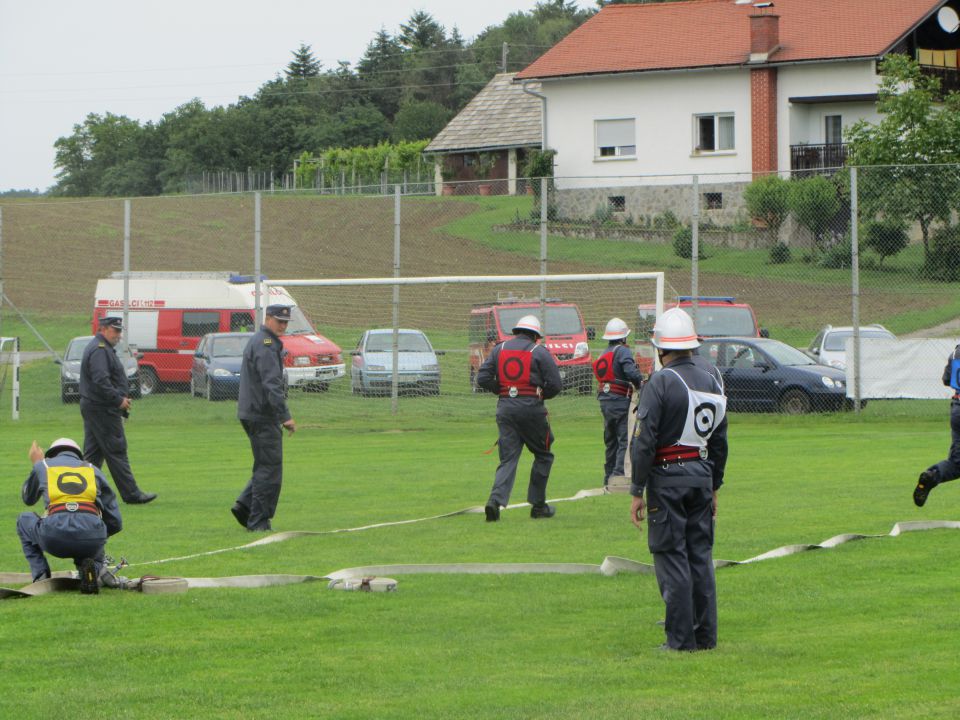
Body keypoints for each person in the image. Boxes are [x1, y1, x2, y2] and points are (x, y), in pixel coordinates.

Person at [629, 308, 728, 651]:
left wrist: (636, 489)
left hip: (667, 481)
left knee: (672, 558)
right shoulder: (714, 377)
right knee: (700, 557)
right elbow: (719, 439)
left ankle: (680, 640)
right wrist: (714, 484)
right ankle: (705, 636)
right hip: (701, 476)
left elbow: (645, 440)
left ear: (660, 348)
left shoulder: (661, 381)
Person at [478, 314, 562, 521]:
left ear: (516, 332)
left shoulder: (499, 349)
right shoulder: (539, 352)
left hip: (506, 409)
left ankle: (494, 501)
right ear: (535, 335)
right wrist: (542, 394)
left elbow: (482, 378)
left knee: (508, 459)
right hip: (532, 410)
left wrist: (502, 390)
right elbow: (555, 385)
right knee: (543, 455)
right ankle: (538, 506)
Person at [16, 438, 123, 594]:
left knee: (24, 519)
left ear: (51, 455)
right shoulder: (94, 470)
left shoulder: (43, 465)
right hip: (91, 537)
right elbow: (116, 522)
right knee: (93, 539)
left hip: (54, 536)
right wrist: (94, 538)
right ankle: (92, 568)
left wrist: (36, 465)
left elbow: (28, 499)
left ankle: (41, 576)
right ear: (78, 456)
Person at [232, 304, 296, 532]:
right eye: (279, 321)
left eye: (286, 322)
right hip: (261, 414)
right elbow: (272, 384)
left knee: (264, 465)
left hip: (252, 412)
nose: (283, 326)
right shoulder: (266, 344)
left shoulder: (261, 340)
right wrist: (285, 416)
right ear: (267, 318)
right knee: (269, 468)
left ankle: (244, 507)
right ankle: (258, 521)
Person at [80, 315, 157, 504]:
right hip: (103, 409)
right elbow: (101, 381)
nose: (118, 335)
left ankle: (80, 492)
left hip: (96, 408)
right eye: (115, 331)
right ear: (103, 329)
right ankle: (131, 494)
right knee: (116, 449)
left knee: (93, 454)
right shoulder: (99, 350)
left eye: (120, 331)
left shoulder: (103, 349)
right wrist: (118, 400)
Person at [593, 317, 644, 486]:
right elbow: (630, 372)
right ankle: (618, 475)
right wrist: (640, 384)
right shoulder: (622, 351)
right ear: (623, 337)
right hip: (619, 399)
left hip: (605, 400)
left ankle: (608, 476)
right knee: (623, 438)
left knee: (610, 439)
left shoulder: (604, 353)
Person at [914, 343, 960, 506]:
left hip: (958, 409)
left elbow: (947, 379)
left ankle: (932, 475)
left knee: (956, 463)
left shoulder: (956, 352)